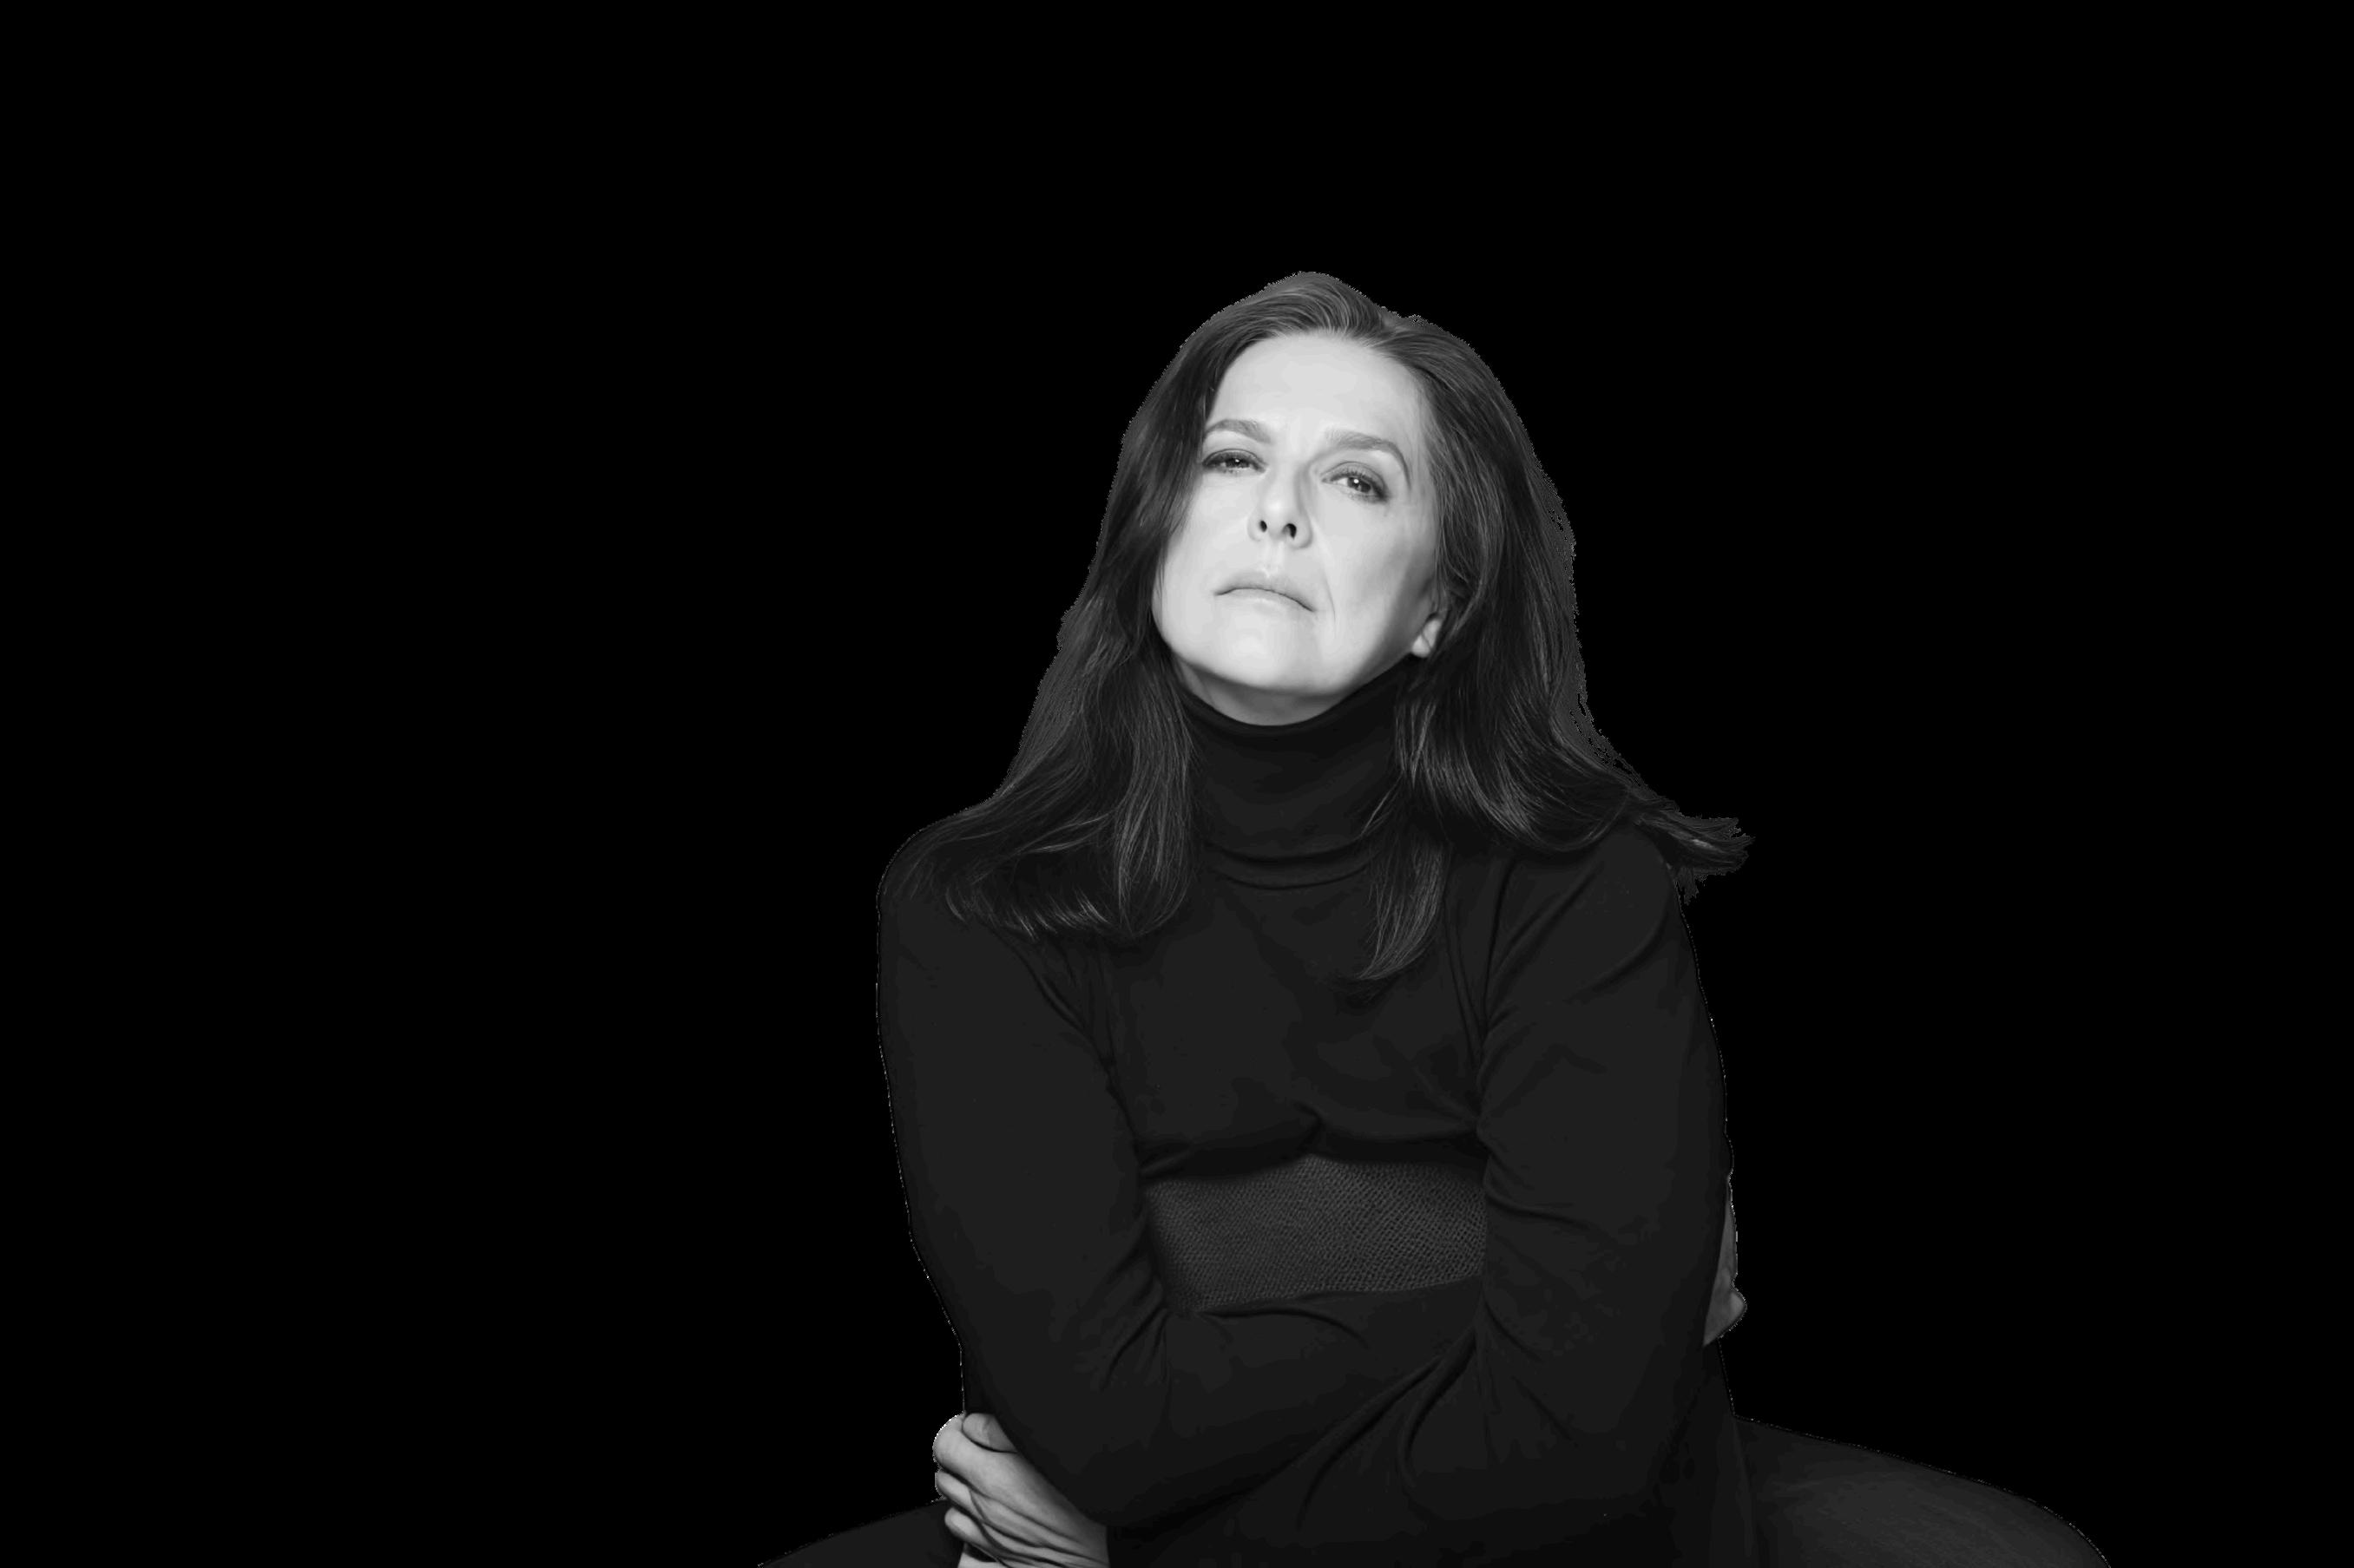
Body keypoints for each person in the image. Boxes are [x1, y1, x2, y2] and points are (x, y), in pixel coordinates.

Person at [773, 275, 2107, 1566]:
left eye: (1358, 482)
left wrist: (1148, 1553)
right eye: (1233, 460)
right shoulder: (978, 902)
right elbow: (1105, 1425)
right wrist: (1563, 1308)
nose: (1279, 512)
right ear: (1153, 533)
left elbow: (1584, 1441)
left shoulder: (1579, 880)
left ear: (1439, 606)